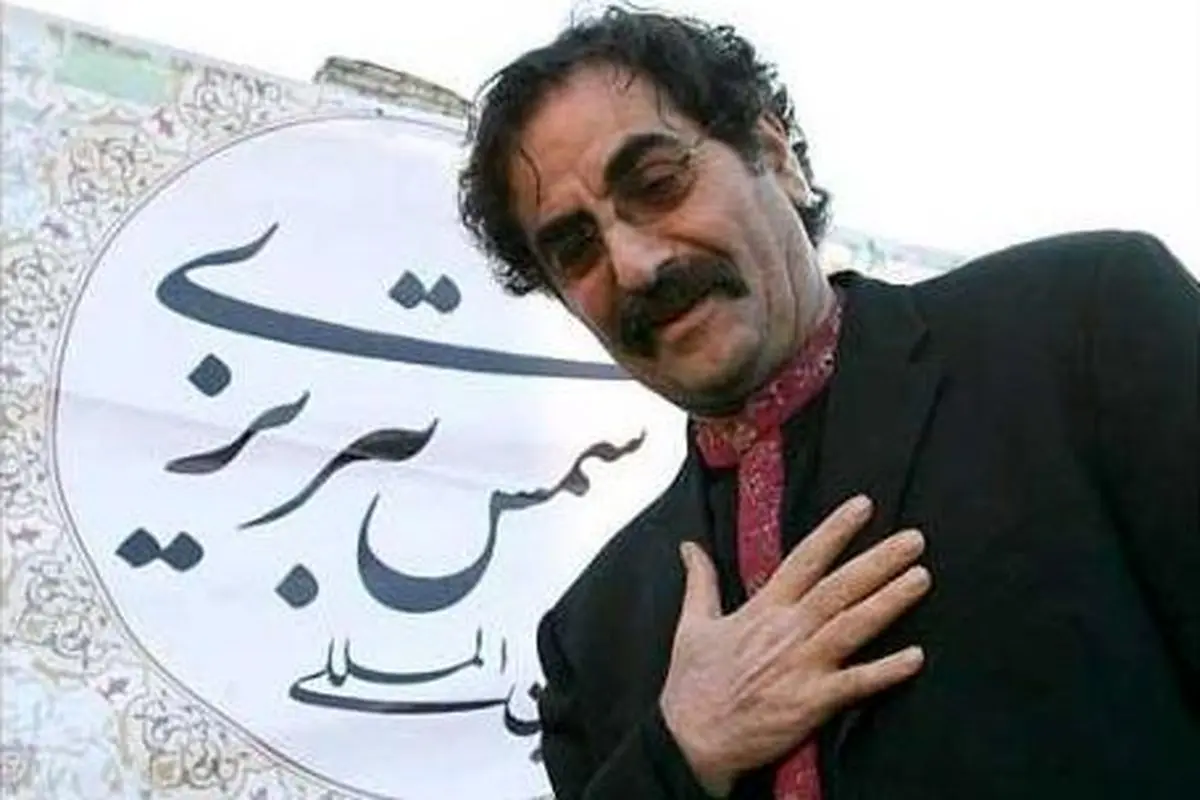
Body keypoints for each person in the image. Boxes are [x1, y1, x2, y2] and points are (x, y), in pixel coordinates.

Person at [456, 7, 1200, 799]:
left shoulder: (1078, 332)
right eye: (575, 248)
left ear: (774, 155)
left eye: (658, 183)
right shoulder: (594, 639)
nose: (634, 265)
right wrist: (680, 752)